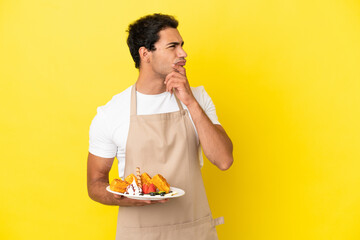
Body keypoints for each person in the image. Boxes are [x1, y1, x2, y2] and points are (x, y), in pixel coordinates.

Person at [87, 13, 233, 239]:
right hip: (139, 233)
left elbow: (224, 160)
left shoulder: (198, 98)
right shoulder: (111, 113)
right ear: (145, 54)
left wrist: (190, 102)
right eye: (172, 46)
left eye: (182, 45)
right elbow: (95, 184)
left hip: (194, 231)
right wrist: (124, 197)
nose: (183, 53)